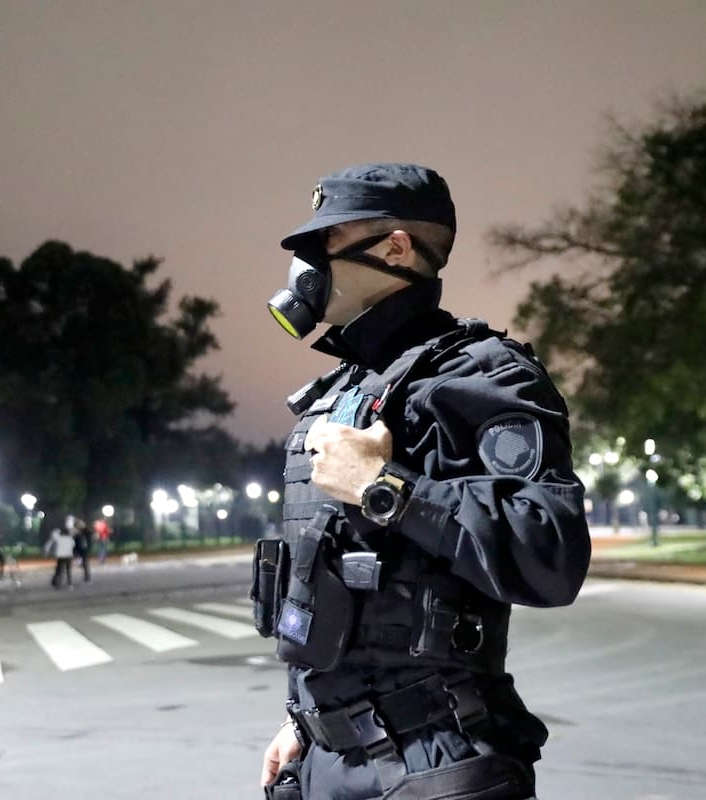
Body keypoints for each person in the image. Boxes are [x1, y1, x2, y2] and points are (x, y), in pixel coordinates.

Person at [253, 163, 591, 800]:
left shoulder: (484, 374)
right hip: (328, 757)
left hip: (436, 763)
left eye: (322, 242)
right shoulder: (343, 390)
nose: (307, 264)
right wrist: (312, 723)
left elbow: (550, 554)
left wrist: (386, 486)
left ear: (395, 248)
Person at [47, 525, 75, 589]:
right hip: (68, 555)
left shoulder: (59, 538)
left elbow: (53, 536)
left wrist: (57, 531)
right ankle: (70, 584)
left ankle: (57, 584)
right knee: (68, 570)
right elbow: (73, 545)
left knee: (59, 570)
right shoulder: (70, 538)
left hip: (61, 556)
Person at [73, 518, 93, 582]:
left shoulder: (86, 531)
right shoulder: (75, 531)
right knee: (82, 561)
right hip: (78, 548)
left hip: (84, 548)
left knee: (85, 562)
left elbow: (89, 534)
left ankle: (87, 576)